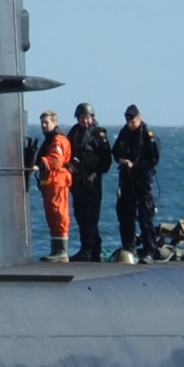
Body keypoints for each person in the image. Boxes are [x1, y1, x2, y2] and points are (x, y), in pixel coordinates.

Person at [67, 102, 114, 262]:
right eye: (81, 118)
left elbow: (106, 160)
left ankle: (88, 250)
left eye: (87, 118)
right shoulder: (74, 132)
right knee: (80, 215)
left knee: (91, 217)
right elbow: (68, 152)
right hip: (77, 182)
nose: (84, 121)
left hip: (92, 182)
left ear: (92, 118)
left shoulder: (98, 135)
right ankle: (94, 250)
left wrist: (96, 173)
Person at [114, 103, 161, 258]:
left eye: (133, 121)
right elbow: (115, 151)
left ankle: (150, 251)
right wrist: (121, 160)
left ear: (139, 118)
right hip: (127, 180)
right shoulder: (124, 132)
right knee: (126, 216)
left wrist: (135, 165)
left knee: (145, 218)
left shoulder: (148, 135)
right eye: (128, 122)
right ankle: (129, 248)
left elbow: (153, 159)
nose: (130, 124)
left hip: (142, 181)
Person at [34, 110, 73, 263]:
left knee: (59, 214)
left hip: (58, 180)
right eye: (42, 123)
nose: (44, 125)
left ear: (54, 123)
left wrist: (42, 163)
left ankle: (62, 251)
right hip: (50, 182)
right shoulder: (50, 139)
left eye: (47, 122)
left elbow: (56, 159)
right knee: (52, 215)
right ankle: (56, 250)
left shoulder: (58, 140)